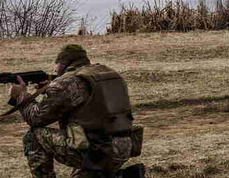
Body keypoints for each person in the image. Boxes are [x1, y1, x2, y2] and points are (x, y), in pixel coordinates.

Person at [8, 44, 144, 177]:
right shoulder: (108, 74)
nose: (55, 69)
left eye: (57, 64)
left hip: (96, 151)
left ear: (63, 63)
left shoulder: (68, 82)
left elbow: (36, 118)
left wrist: (21, 96)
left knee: (34, 136)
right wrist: (52, 89)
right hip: (124, 146)